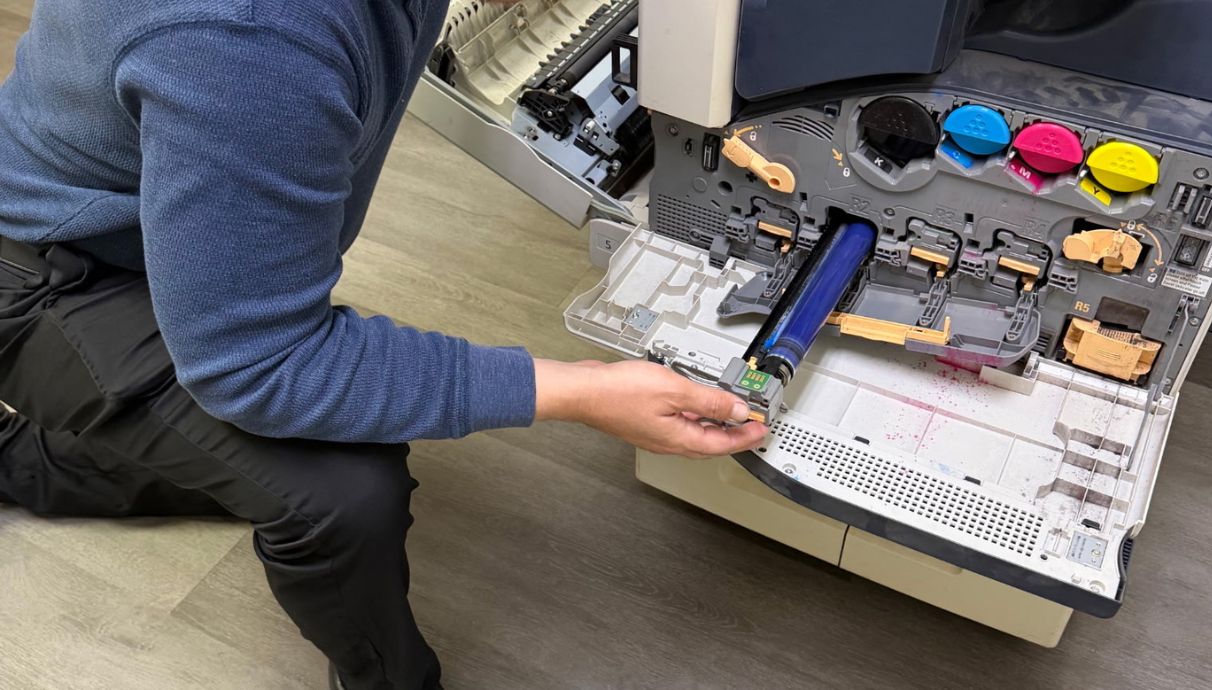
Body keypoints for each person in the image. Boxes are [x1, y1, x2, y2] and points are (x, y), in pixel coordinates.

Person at [0, 1, 767, 688]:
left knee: (287, 419)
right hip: (44, 277)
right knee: (343, 495)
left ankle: (41, 458)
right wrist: (584, 392)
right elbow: (263, 365)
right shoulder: (246, 40)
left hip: (141, 241)